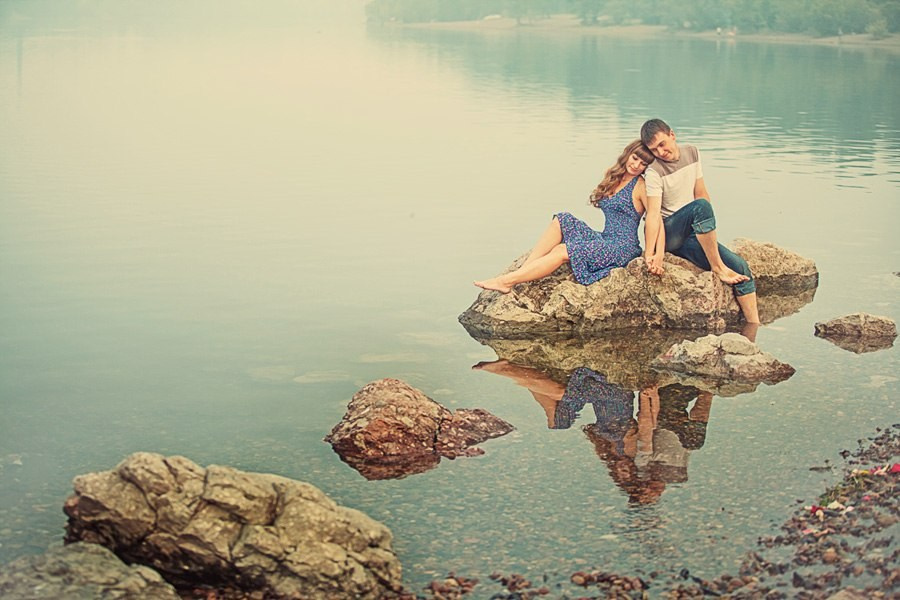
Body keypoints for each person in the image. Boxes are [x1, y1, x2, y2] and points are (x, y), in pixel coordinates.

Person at [474, 140, 656, 293]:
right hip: (605, 238)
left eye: (643, 164)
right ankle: (525, 270)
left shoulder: (641, 186)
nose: (636, 165)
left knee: (562, 250)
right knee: (563, 219)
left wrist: (652, 254)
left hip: (622, 247)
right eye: (635, 158)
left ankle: (506, 282)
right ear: (627, 154)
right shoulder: (615, 177)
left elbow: (655, 221)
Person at [639, 119, 760, 325]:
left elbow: (701, 191)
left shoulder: (692, 153)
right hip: (669, 233)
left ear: (672, 135)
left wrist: (709, 235)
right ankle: (717, 267)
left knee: (741, 267)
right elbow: (653, 215)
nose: (660, 152)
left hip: (691, 234)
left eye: (662, 144)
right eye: (654, 149)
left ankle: (753, 326)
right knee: (701, 206)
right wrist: (651, 253)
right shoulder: (654, 171)